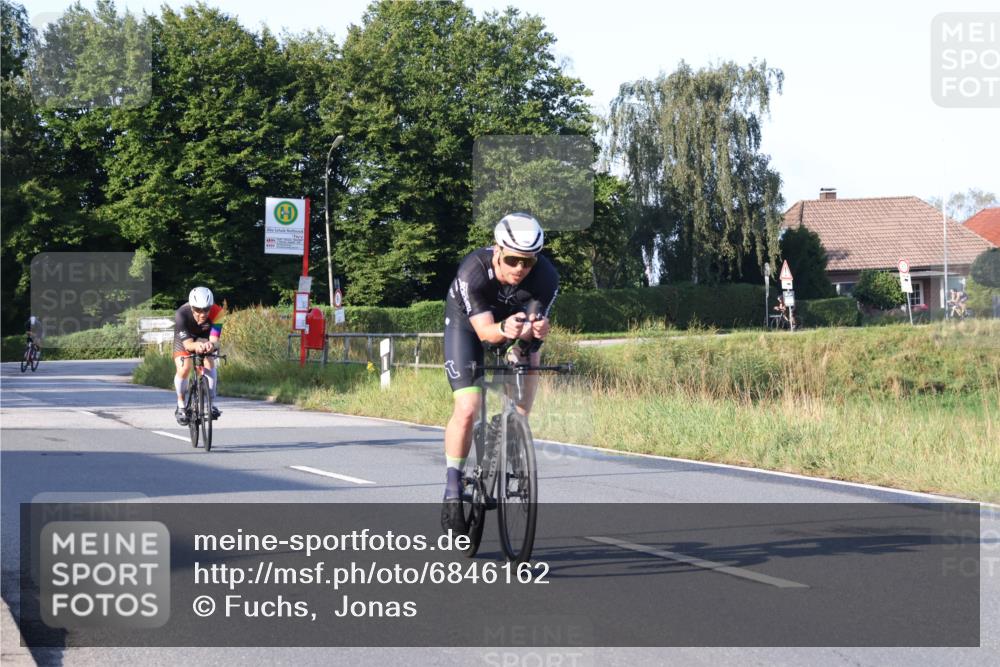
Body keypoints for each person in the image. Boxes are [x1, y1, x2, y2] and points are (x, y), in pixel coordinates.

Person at [440, 212, 559, 534]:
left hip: (511, 327)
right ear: (497, 251)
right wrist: (506, 330)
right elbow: (486, 335)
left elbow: (526, 341)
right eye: (513, 260)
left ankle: (513, 428)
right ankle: (452, 487)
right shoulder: (473, 272)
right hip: (468, 328)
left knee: (528, 368)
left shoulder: (546, 277)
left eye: (528, 262)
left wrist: (534, 334)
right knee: (468, 408)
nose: (520, 269)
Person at [173, 287, 225, 425]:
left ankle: (211, 402)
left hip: (204, 337)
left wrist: (211, 346)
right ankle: (181, 404)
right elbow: (189, 345)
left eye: (206, 309)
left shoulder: (218, 312)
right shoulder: (181, 314)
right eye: (197, 309)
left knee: (209, 361)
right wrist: (196, 346)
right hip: (185, 339)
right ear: (191, 307)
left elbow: (215, 340)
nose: (202, 314)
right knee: (184, 368)